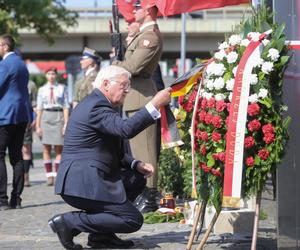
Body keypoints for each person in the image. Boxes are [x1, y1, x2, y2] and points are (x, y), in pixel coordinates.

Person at [48, 65, 171, 250]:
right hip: (82, 182)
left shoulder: (101, 103)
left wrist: (135, 164)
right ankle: (70, 222)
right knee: (131, 220)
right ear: (106, 84)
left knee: (135, 179)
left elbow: (113, 149)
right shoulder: (96, 105)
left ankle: (101, 238)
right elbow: (126, 129)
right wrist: (154, 104)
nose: (127, 90)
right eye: (124, 85)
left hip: (90, 176)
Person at [113, 3, 163, 213]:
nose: (134, 11)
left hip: (142, 97)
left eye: (138, 6)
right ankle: (144, 192)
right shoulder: (143, 34)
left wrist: (115, 65)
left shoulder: (150, 36)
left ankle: (150, 196)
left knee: (146, 151)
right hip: (136, 97)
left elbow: (133, 67)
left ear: (149, 10)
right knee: (139, 151)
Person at [0, 34, 31, 210]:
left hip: (5, 115)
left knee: (0, 155)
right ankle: (16, 199)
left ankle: (2, 200)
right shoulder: (21, 64)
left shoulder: (5, 64)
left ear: (5, 46)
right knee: (17, 157)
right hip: (20, 116)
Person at [36, 67, 69, 186]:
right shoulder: (42, 89)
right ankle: (49, 175)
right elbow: (39, 108)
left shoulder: (62, 88)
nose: (51, 76)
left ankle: (58, 174)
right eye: (49, 73)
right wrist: (38, 125)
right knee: (46, 147)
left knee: (59, 147)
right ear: (45, 75)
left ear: (56, 75)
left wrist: (66, 123)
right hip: (46, 116)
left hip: (58, 116)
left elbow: (66, 106)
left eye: (53, 73)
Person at [22, 80, 37, 187]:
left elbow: (34, 103)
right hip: (7, 120)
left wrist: (35, 119)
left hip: (25, 120)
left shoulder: (30, 84)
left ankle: (25, 175)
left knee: (26, 148)